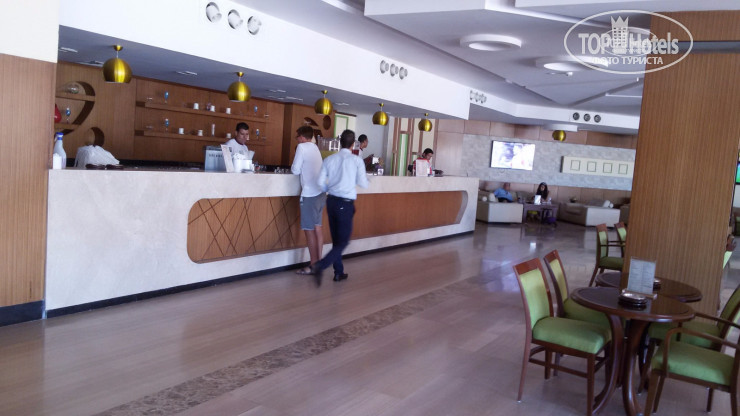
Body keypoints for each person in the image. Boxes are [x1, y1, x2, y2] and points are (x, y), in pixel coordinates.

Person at [311, 129, 369, 286]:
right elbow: (363, 184)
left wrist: (329, 189)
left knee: (336, 240)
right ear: (353, 144)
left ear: (340, 142)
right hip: (345, 203)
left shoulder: (330, 159)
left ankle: (339, 272)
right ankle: (320, 266)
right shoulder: (356, 161)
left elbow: (320, 182)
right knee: (343, 242)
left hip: (331, 202)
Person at [291, 126, 326, 276]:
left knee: (309, 230)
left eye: (297, 137)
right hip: (321, 193)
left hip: (310, 194)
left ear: (301, 137)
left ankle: (313, 265)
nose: (297, 140)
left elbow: (295, 170)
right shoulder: (315, 148)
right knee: (317, 228)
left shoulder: (301, 147)